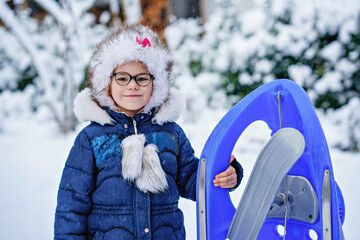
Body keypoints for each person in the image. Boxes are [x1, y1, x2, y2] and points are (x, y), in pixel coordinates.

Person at [54, 25, 243, 240]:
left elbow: (193, 181)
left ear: (157, 83)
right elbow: (71, 206)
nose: (132, 86)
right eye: (122, 78)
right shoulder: (92, 139)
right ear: (106, 83)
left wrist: (225, 174)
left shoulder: (170, 133)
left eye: (142, 78)